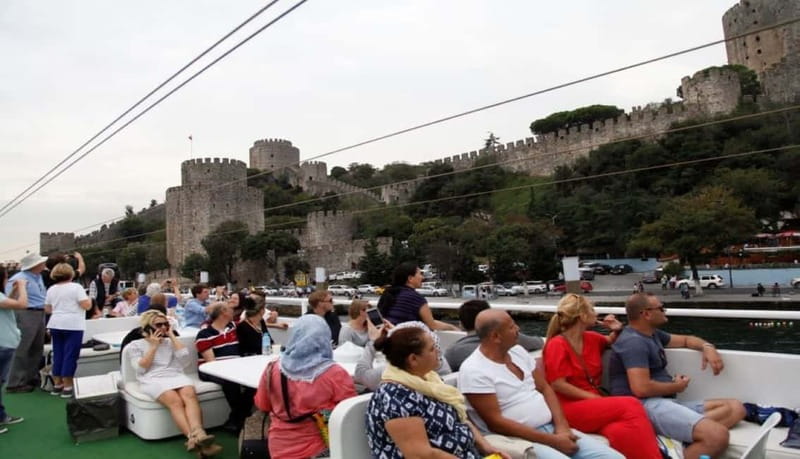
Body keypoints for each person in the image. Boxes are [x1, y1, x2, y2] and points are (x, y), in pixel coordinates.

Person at [459, 309, 622, 459]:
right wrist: (553, 441)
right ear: (495, 336)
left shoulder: (518, 352)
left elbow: (545, 388)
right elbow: (496, 423)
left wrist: (562, 427)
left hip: (551, 428)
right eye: (511, 327)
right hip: (519, 440)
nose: (517, 329)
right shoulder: (474, 371)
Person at [608, 293, 746, 459]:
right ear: (646, 314)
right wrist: (677, 387)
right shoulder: (633, 342)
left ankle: (677, 435)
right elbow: (641, 388)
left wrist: (707, 347)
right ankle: (685, 433)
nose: (665, 310)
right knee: (716, 436)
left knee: (736, 408)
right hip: (641, 405)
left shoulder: (652, 334)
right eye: (661, 308)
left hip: (662, 401)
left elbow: (687, 340)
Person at [542, 294, 661, 458]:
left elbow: (611, 340)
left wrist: (617, 328)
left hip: (593, 404)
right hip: (568, 408)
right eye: (592, 310)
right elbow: (558, 384)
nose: (596, 314)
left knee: (619, 430)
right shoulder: (557, 344)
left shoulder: (592, 338)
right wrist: (594, 398)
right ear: (583, 316)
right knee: (630, 405)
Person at [366, 325, 510, 459]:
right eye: (431, 349)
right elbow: (420, 454)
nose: (438, 352)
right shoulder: (395, 398)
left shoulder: (430, 381)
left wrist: (487, 448)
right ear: (413, 359)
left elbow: (461, 421)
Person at [254, 314, 357, 459]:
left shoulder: (273, 368)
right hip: (320, 446)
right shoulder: (335, 374)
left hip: (279, 444)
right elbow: (349, 415)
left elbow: (262, 404)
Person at [127, 310, 222, 456]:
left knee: (189, 393)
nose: (163, 328)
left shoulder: (170, 342)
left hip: (174, 375)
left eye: (166, 324)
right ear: (147, 327)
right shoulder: (135, 345)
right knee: (174, 400)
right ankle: (193, 438)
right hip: (151, 378)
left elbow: (185, 360)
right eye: (159, 325)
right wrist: (153, 347)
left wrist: (171, 335)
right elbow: (141, 368)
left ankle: (199, 434)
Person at [445, 299, 543, 372]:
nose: (517, 329)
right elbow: (539, 343)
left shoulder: (453, 352)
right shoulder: (509, 338)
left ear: (461, 324)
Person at [195, 302, 249, 432]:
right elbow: (211, 362)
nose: (233, 311)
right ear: (223, 313)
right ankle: (242, 419)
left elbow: (253, 320)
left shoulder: (233, 327)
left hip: (234, 367)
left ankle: (235, 419)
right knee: (231, 382)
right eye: (230, 309)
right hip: (210, 369)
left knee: (254, 383)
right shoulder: (204, 334)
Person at [354, 320, 452, 392]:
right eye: (432, 348)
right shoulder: (439, 366)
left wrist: (373, 343)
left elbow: (360, 374)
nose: (437, 352)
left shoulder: (391, 375)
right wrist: (399, 333)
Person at [45, 263, 92, 398]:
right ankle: (67, 386)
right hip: (73, 325)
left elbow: (48, 309)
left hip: (55, 323)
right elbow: (86, 305)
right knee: (70, 355)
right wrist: (89, 299)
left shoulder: (51, 289)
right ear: (71, 274)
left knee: (58, 354)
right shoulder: (76, 287)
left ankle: (57, 384)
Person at [4, 252, 48, 392]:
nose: (43, 264)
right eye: (41, 262)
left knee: (36, 348)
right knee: (23, 348)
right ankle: (14, 382)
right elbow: (11, 298)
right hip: (26, 313)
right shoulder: (18, 279)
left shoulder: (38, 277)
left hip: (38, 312)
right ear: (35, 265)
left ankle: (29, 377)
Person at [377, 262, 458, 331]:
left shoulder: (389, 292)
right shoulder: (416, 298)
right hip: (402, 340)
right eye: (420, 274)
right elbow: (431, 324)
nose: (422, 277)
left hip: (386, 337)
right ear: (410, 278)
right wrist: (452, 327)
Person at [0, 265, 28, 432]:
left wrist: (15, 290)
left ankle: (1, 416)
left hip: (5, 343)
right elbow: (22, 305)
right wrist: (23, 288)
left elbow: (8, 303)